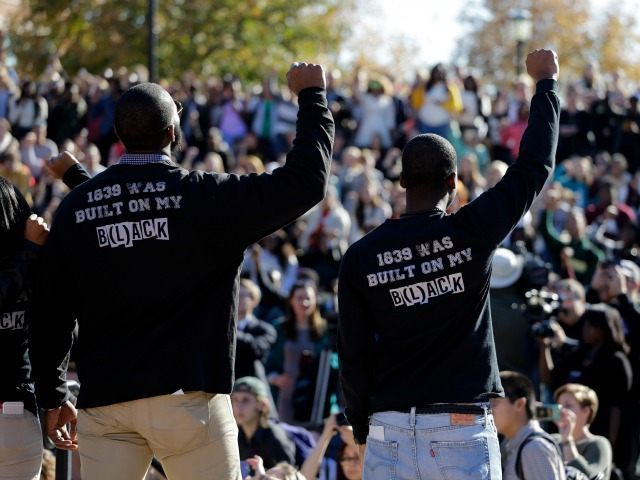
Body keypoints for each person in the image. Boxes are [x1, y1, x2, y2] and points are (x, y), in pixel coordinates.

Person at [29, 63, 334, 480]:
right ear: (173, 133)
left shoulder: (77, 208)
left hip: (106, 406)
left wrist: (52, 394)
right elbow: (304, 183)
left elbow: (52, 309)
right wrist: (312, 96)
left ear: (118, 138)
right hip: (187, 402)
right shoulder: (206, 197)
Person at [337, 49, 560, 479]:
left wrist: (362, 429)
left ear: (401, 182)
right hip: (460, 430)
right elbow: (534, 166)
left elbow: (353, 352)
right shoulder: (471, 232)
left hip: (388, 428)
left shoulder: (361, 256)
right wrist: (546, 85)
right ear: (453, 183)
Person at [492, 371, 566, 479]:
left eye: (494, 403)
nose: (489, 410)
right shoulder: (515, 444)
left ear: (519, 404)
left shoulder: (534, 448)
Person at [232, 376, 296, 470]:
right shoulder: (236, 435)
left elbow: (287, 474)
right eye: (235, 400)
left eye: (246, 400)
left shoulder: (274, 437)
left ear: (261, 405)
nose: (238, 406)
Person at [553, 383, 613, 480]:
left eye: (568, 406)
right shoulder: (553, 440)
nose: (561, 411)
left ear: (586, 411)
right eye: (559, 406)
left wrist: (567, 440)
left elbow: (587, 476)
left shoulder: (598, 444)